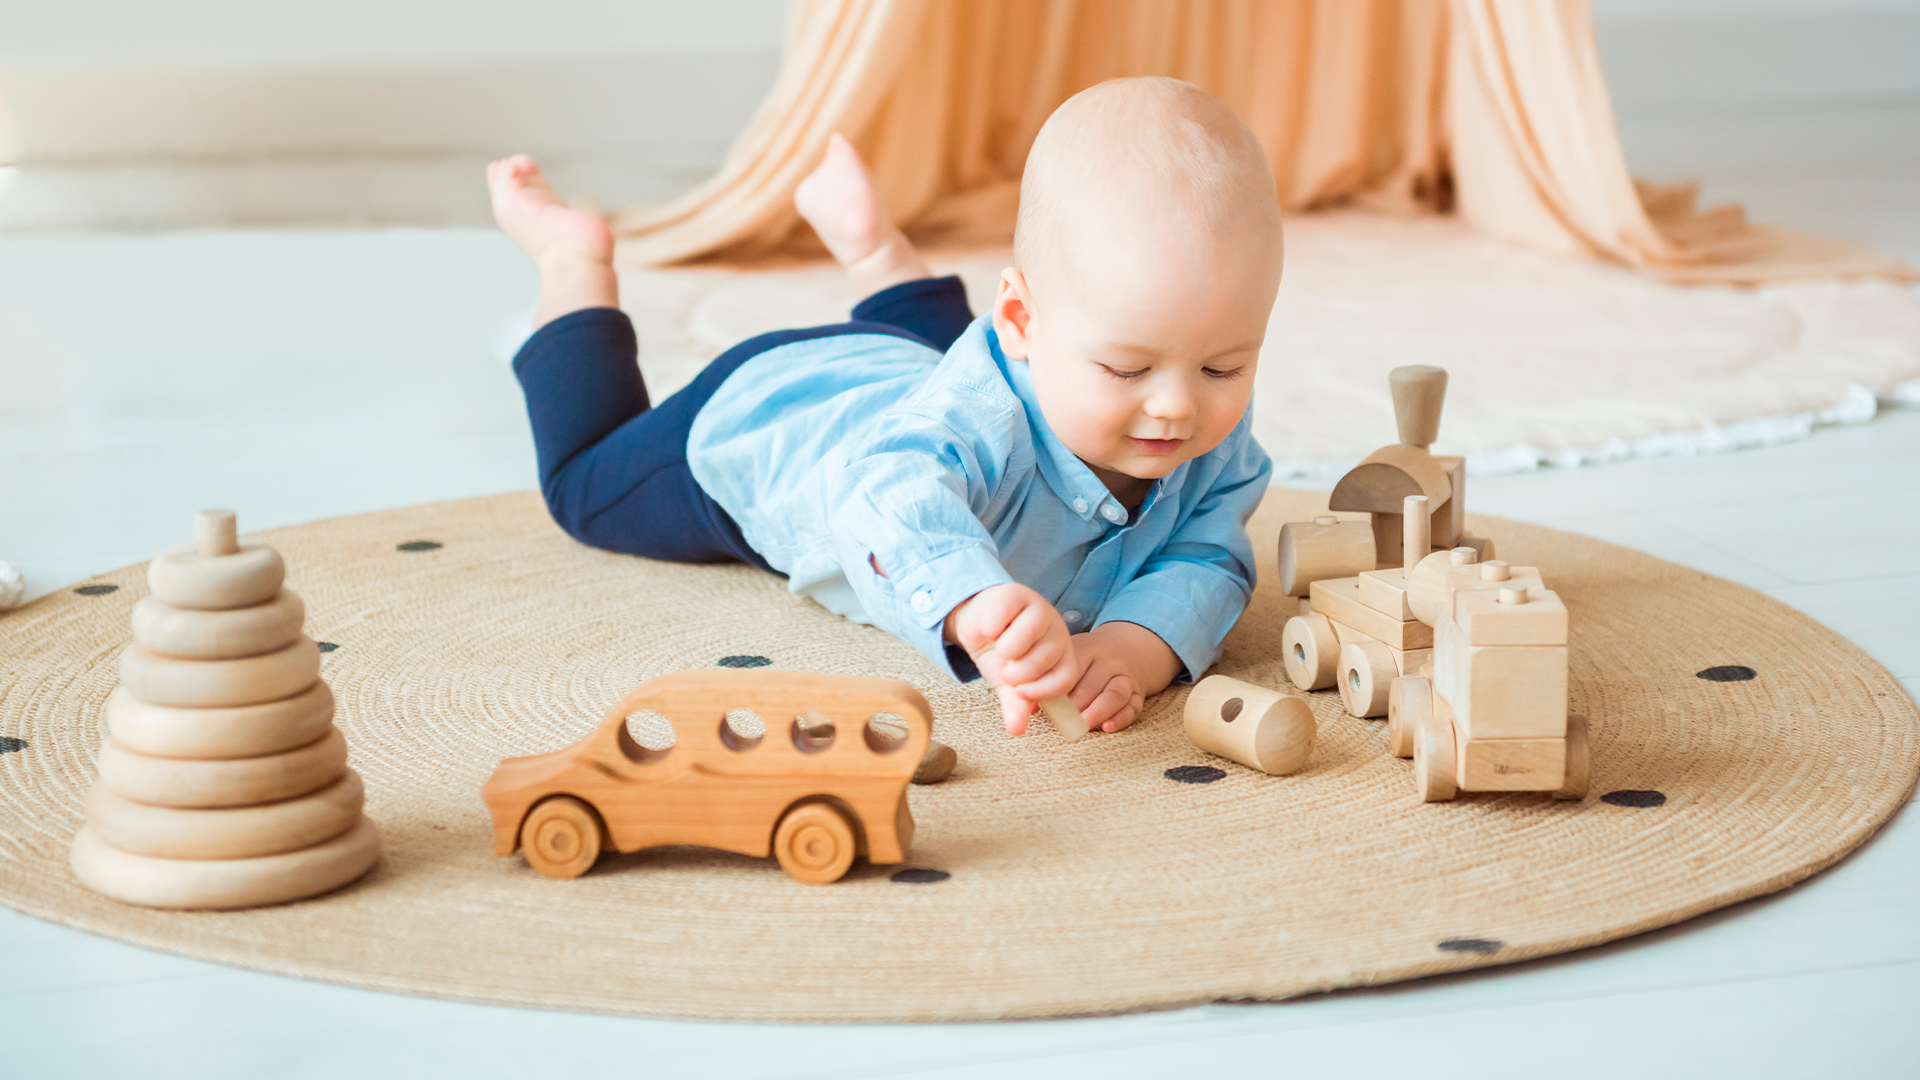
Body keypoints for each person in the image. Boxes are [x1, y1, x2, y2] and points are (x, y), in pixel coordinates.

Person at [487, 76, 1282, 737]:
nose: (1177, 406)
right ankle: (572, 265)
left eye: (1224, 364)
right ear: (1022, 324)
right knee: (585, 487)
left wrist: (1135, 643)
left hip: (911, 370)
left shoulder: (1202, 427)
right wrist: (972, 598)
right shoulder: (966, 426)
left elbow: (1210, 551)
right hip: (772, 415)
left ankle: (872, 247)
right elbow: (885, 497)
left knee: (948, 368)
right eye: (1127, 366)